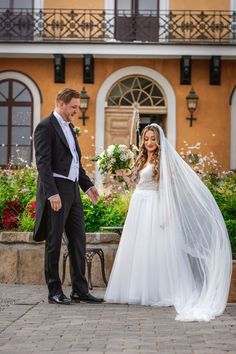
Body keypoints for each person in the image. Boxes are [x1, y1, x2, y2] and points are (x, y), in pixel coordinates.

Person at [104, 123, 232, 322]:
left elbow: (167, 190)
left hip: (154, 206)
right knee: (139, 248)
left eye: (153, 139)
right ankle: (138, 289)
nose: (149, 142)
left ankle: (158, 291)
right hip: (139, 205)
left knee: (155, 247)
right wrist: (122, 174)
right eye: (146, 139)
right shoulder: (141, 159)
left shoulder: (163, 161)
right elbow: (137, 183)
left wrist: (166, 213)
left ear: (159, 140)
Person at [33, 88, 103, 305]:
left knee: (78, 240)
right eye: (73, 107)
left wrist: (88, 186)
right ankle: (54, 291)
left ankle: (79, 290)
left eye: (77, 107)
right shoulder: (45, 127)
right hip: (56, 189)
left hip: (73, 190)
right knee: (54, 241)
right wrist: (52, 193)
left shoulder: (70, 128)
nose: (76, 111)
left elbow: (75, 162)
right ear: (61, 104)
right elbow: (43, 163)